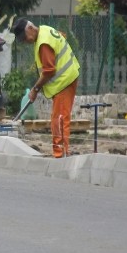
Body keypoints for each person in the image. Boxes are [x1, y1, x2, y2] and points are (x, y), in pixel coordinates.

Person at [13, 18, 80, 158]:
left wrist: (35, 89)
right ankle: (63, 151)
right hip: (69, 76)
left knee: (59, 119)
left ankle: (60, 154)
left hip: (64, 81)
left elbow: (49, 70)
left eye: (25, 38)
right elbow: (62, 36)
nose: (25, 41)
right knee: (61, 117)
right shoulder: (45, 29)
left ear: (30, 29)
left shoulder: (43, 43)